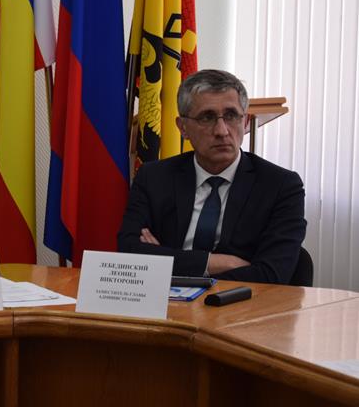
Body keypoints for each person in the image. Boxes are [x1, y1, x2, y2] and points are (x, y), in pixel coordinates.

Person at [118, 69, 306, 284]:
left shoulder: (281, 186)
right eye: (207, 117)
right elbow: (129, 255)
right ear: (183, 128)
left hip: (241, 302)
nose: (222, 131)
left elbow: (271, 275)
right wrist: (216, 263)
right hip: (166, 301)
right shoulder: (153, 177)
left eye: (231, 115)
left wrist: (165, 261)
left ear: (245, 122)